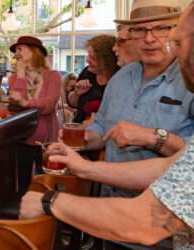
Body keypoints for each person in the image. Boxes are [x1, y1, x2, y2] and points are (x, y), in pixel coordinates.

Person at [20, 2, 194, 250]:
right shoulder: (121, 77)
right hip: (107, 219)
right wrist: (83, 145)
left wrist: (153, 137)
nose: (150, 39)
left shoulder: (187, 80)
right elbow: (104, 128)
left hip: (160, 238)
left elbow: (149, 218)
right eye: (140, 30)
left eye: (162, 29)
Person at [8, 36, 61, 194]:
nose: (17, 53)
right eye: (15, 50)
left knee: (46, 184)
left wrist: (26, 103)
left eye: (20, 48)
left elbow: (49, 106)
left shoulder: (53, 76)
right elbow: (16, 102)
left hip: (46, 141)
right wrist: (21, 75)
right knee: (22, 186)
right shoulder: (14, 78)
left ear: (34, 51)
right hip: (22, 137)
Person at [67, 35, 119, 123]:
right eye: (88, 55)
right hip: (79, 129)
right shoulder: (87, 73)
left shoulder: (119, 78)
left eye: (93, 58)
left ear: (108, 61)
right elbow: (72, 103)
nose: (87, 60)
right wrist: (77, 93)